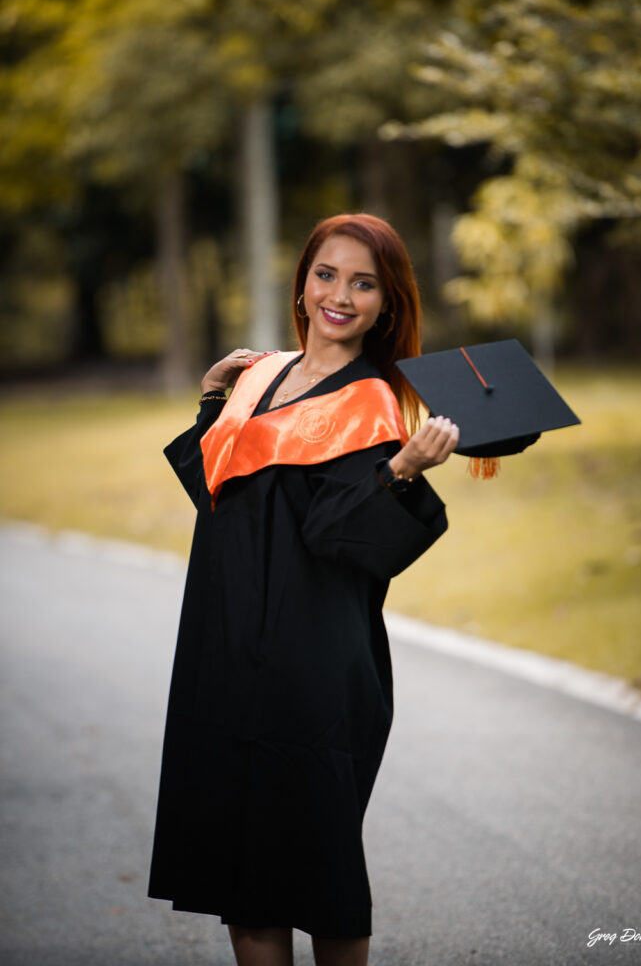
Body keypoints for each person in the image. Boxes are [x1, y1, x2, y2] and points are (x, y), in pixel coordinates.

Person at [148, 213, 460, 966]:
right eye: (328, 275)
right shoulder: (260, 375)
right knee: (241, 878)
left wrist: (401, 471)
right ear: (302, 284)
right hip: (225, 647)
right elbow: (226, 502)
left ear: (388, 303)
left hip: (312, 662)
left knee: (317, 878)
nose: (341, 296)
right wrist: (209, 403)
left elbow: (336, 541)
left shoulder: (374, 406)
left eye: (364, 284)